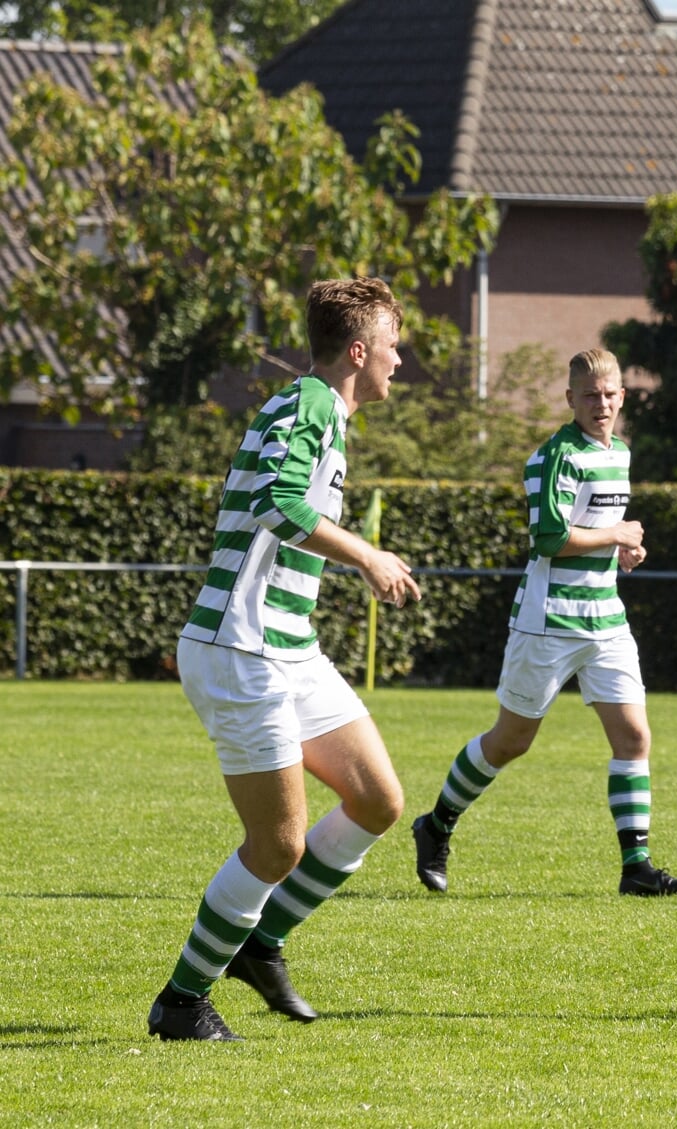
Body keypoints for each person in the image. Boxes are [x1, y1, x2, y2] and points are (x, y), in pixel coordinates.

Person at [149, 278, 423, 1041]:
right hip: (240, 647)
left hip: (288, 646)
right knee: (277, 845)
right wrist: (366, 554)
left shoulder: (330, 417)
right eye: (393, 345)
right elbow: (277, 499)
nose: (401, 361)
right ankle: (181, 1000)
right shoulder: (307, 403)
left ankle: (260, 944)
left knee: (377, 799)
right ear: (359, 350)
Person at [409, 349, 677, 899]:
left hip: (606, 618)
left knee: (634, 736)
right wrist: (617, 536)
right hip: (548, 621)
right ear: (570, 400)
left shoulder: (622, 454)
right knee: (511, 741)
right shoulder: (554, 457)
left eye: (610, 394)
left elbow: (601, 528)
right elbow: (549, 540)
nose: (601, 404)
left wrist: (622, 553)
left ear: (622, 396)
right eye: (590, 395)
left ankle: (636, 866)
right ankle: (437, 823)